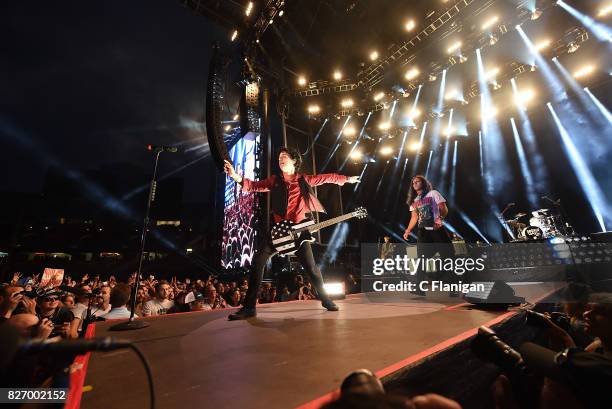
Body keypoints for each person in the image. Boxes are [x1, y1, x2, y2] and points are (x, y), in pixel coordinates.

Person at [223, 147, 360, 320]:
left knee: (312, 268)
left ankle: (325, 299)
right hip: (279, 232)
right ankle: (249, 307)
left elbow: (326, 177)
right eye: (279, 157)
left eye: (284, 157)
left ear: (294, 161)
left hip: (298, 233)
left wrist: (346, 179)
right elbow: (253, 186)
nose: (280, 159)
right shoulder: (275, 180)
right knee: (258, 263)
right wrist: (235, 175)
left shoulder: (304, 180)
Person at [402, 175, 454, 296]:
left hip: (437, 229)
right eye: (413, 182)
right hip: (423, 231)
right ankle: (419, 288)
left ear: (423, 183)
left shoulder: (433, 193)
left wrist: (439, 220)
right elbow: (414, 217)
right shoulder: (415, 201)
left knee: (448, 256)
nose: (414, 183)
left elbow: (444, 208)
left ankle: (453, 287)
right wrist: (408, 230)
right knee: (421, 259)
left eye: (417, 181)